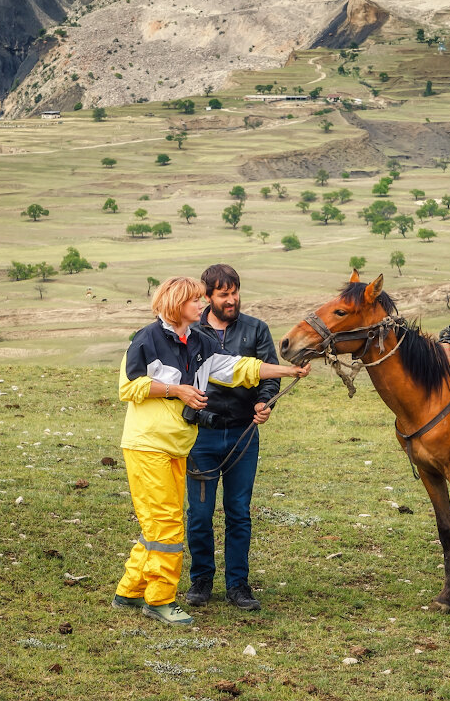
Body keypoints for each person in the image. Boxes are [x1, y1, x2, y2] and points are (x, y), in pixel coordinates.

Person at [112, 276, 309, 627]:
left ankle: (130, 589)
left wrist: (287, 369)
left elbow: (238, 369)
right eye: (194, 301)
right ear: (175, 303)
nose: (201, 305)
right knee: (167, 525)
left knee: (156, 523)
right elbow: (130, 386)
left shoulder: (199, 341)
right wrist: (180, 391)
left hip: (176, 446)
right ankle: (159, 599)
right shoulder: (148, 339)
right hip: (147, 445)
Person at [183, 264, 279, 611]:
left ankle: (238, 584)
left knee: (239, 511)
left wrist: (264, 401)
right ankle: (201, 580)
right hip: (200, 436)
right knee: (200, 513)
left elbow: (269, 375)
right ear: (208, 296)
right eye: (224, 294)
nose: (232, 299)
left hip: (243, 434)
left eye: (235, 291)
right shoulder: (190, 332)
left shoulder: (256, 329)